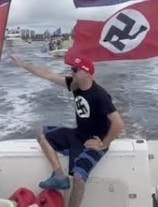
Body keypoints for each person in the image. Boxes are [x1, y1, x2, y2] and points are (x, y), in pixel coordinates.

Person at [9, 54, 125, 207]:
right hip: (79, 134)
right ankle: (59, 176)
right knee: (41, 133)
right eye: (72, 69)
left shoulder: (100, 95)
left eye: (76, 70)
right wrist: (24, 65)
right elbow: (48, 75)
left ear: (87, 73)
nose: (72, 72)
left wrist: (103, 144)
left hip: (95, 141)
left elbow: (118, 123)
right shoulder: (74, 85)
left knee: (78, 177)